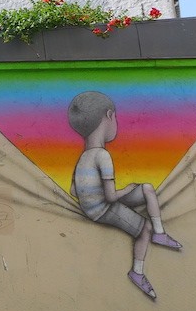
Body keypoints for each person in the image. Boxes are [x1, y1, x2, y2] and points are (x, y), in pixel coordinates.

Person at [68, 91, 182, 300]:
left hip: (92, 205)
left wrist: (91, 193)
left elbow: (73, 191)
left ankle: (160, 233)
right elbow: (111, 198)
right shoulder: (102, 155)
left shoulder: (83, 157)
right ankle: (137, 272)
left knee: (147, 188)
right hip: (102, 209)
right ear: (109, 115)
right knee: (143, 228)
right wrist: (128, 189)